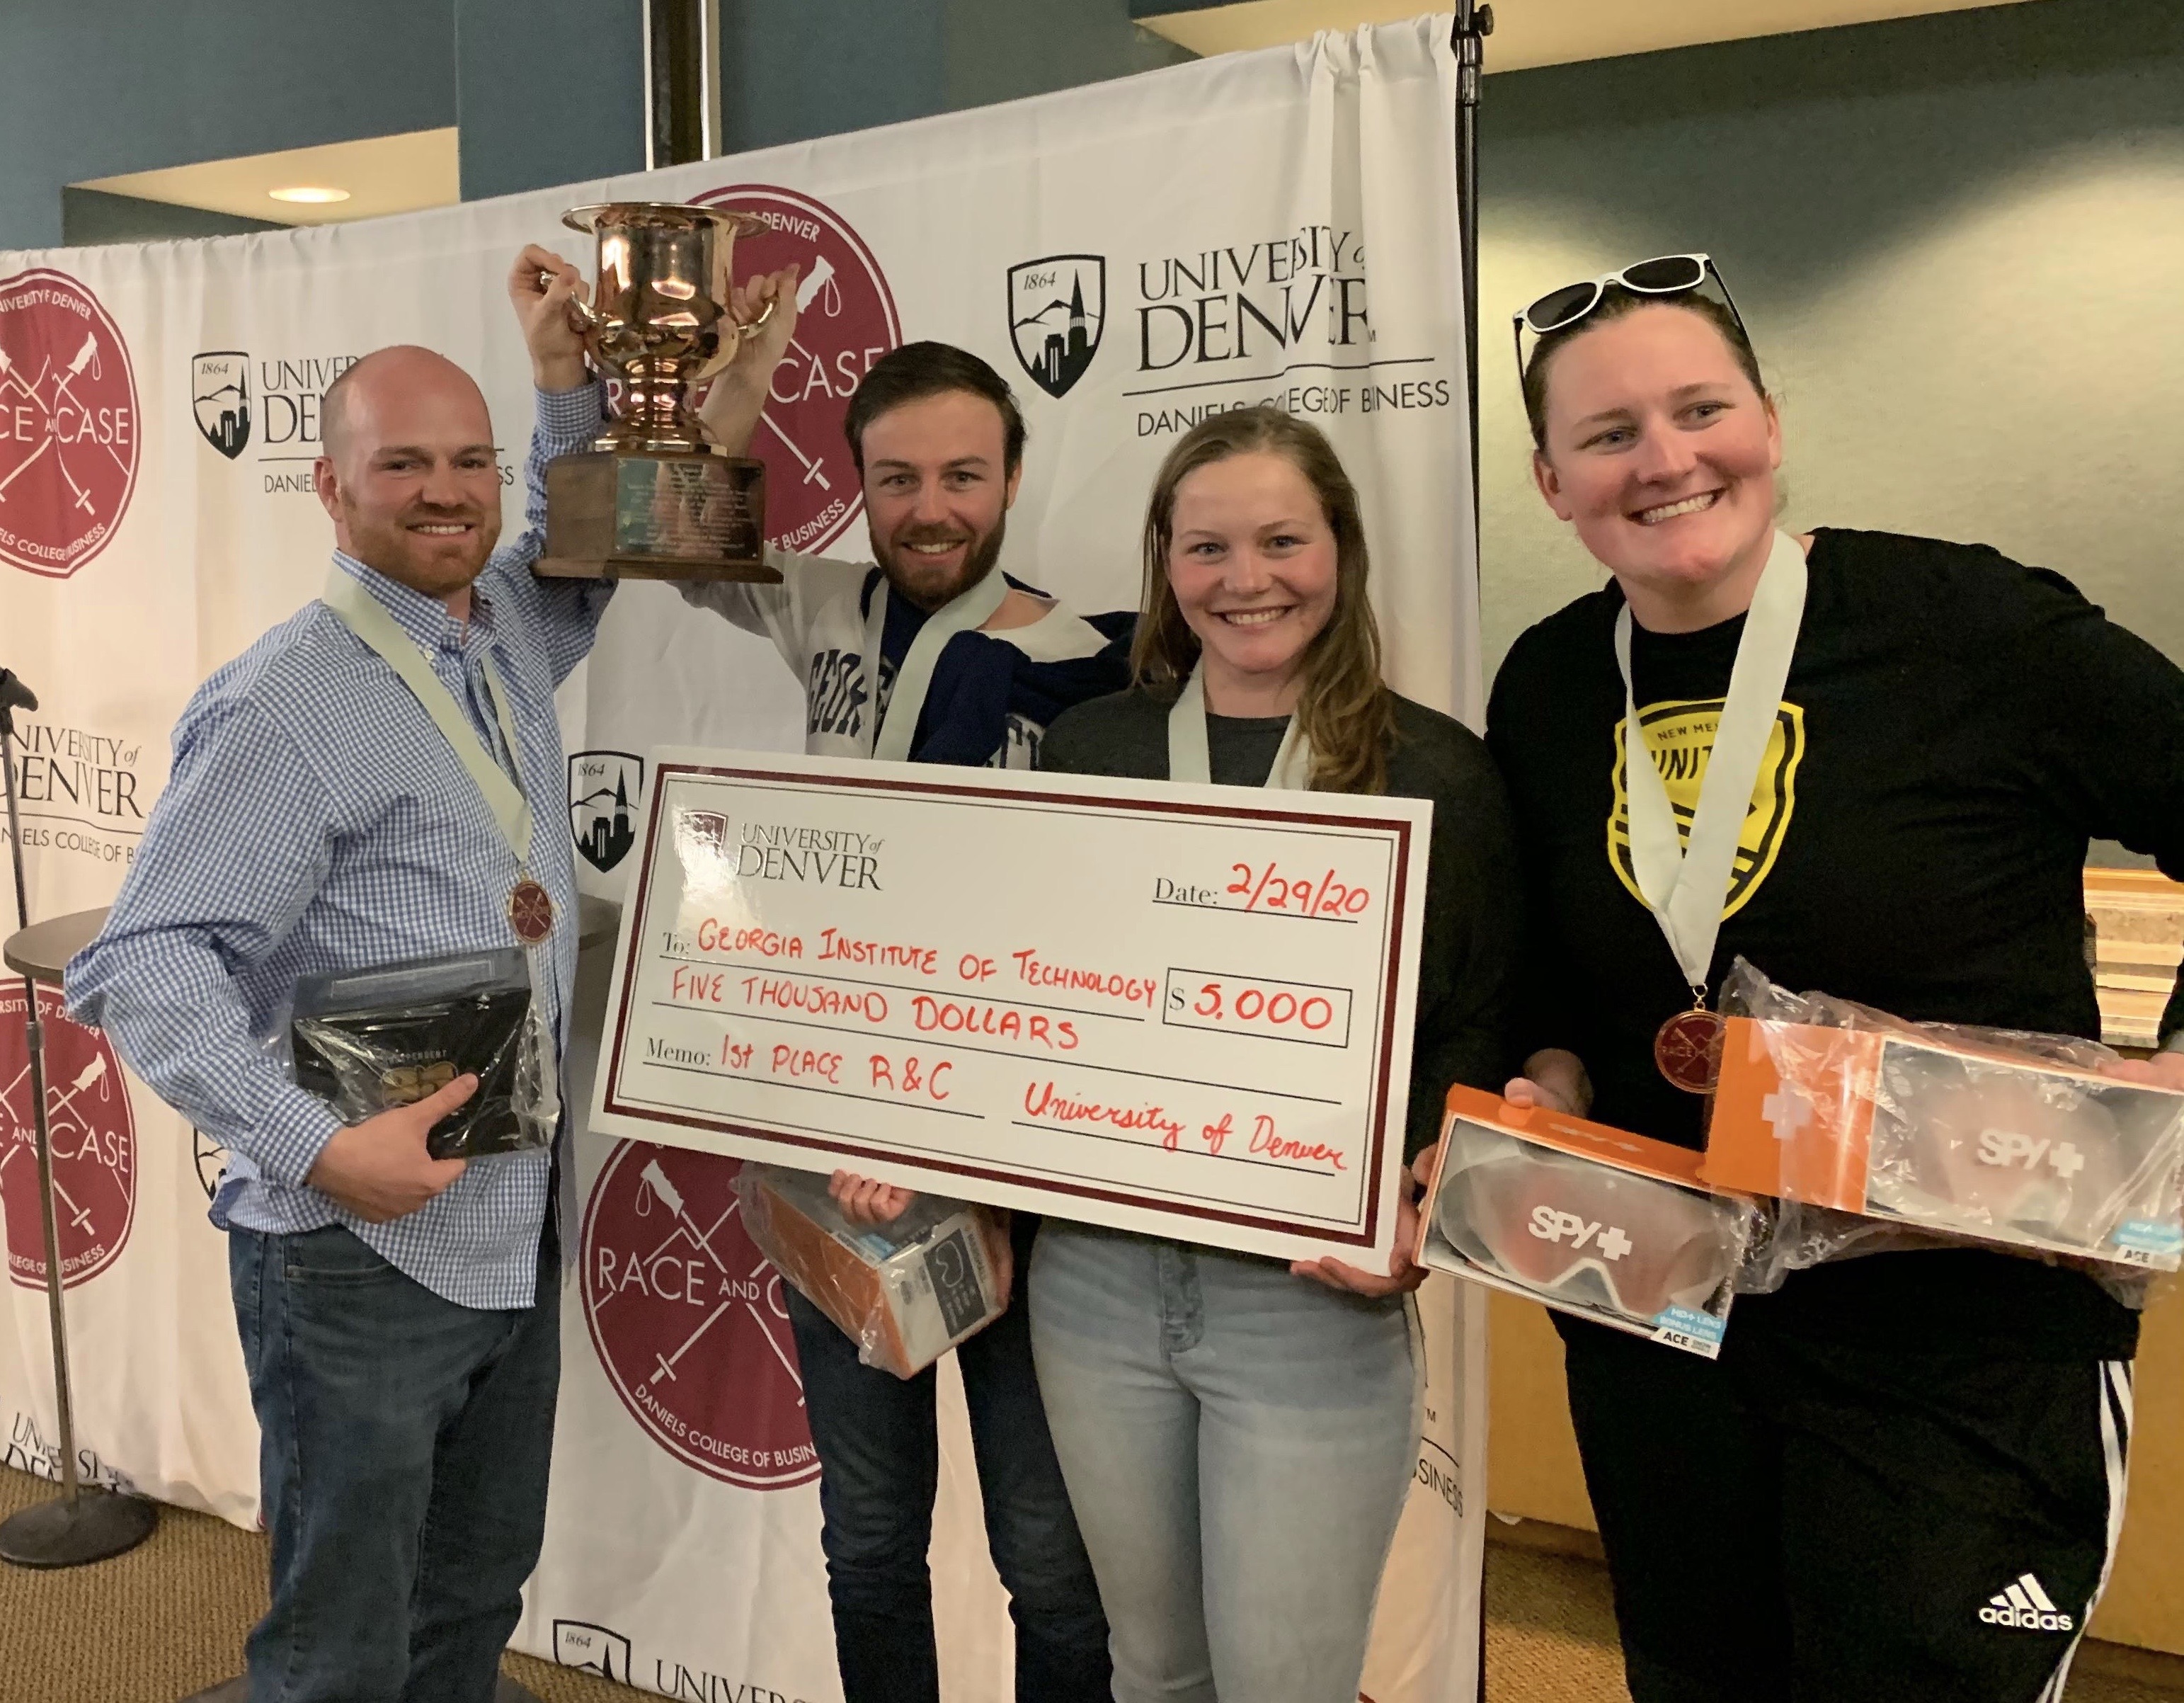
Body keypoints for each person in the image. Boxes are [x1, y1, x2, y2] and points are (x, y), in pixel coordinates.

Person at [1476, 253, 2184, 1703]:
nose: (1665, 461)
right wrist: (1544, 1070)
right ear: (1552, 483)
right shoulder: (1548, 686)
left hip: (1961, 1339)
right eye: (1608, 437)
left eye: (1698, 410)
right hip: (1662, 1325)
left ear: (1771, 421)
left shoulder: (1969, 630)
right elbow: (1548, 962)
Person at [518, 250, 1122, 1701]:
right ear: (859, 485)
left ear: (1014, 476)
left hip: (1016, 1183)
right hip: (831, 1144)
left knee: (1052, 1558)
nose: (932, 509)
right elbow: (648, 526)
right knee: (865, 1538)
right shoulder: (830, 605)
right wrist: (740, 386)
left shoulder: (1101, 670)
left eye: (963, 476)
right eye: (899, 479)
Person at [65, 249, 610, 1703]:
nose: (448, 490)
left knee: (469, 1598)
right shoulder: (285, 700)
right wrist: (321, 1149)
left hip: (506, 1217)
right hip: (354, 1252)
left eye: (473, 462)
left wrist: (565, 388)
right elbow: (146, 966)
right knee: (341, 1642)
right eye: (405, 464)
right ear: (329, 483)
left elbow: (580, 555)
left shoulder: (486, 634)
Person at [1025, 404, 1521, 1703]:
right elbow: (1033, 990)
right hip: (1095, 1287)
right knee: (1153, 1674)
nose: (1245, 580)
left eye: (1282, 541)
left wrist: (1424, 1196)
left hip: (1306, 1298)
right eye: (1207, 548)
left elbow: (1478, 1025)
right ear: (1165, 564)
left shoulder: (1437, 771)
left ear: (1342, 552)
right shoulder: (1093, 750)